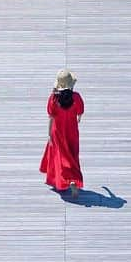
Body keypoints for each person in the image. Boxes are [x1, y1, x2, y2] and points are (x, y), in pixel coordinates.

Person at [40, 68, 84, 196]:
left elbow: (51, 117)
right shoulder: (76, 97)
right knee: (72, 156)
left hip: (57, 132)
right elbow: (79, 115)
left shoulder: (54, 98)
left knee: (59, 157)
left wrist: (49, 134)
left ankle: (62, 181)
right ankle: (73, 180)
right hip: (72, 131)